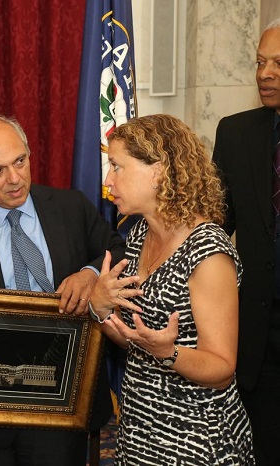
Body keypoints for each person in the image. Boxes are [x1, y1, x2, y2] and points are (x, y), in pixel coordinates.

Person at [0, 114, 123, 466]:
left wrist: (90, 273)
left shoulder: (70, 208)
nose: (15, 179)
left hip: (66, 397)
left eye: (20, 161)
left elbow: (118, 249)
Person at [88, 114, 254, 464]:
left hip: (195, 436)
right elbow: (133, 338)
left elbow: (222, 368)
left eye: (117, 167)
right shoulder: (137, 234)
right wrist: (100, 308)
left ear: (159, 171)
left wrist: (169, 353)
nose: (107, 181)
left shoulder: (207, 252)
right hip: (139, 429)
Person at [212, 17, 280, 466]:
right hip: (259, 344)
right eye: (259, 62)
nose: (264, 73)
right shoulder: (235, 134)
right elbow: (211, 229)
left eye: (278, 63)